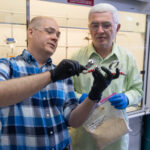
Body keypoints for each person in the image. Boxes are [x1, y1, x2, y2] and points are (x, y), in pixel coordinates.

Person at [0, 16, 120, 150]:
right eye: (49, 31)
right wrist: (52, 76)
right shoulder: (8, 66)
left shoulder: (62, 75)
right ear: (31, 32)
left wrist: (95, 94)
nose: (55, 38)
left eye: (58, 35)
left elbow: (74, 121)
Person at [70, 3, 143, 150]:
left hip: (114, 137)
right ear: (89, 28)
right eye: (94, 25)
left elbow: (138, 91)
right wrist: (79, 98)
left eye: (106, 25)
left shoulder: (127, 58)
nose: (100, 31)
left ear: (117, 28)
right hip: (84, 137)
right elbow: (66, 92)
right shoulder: (76, 58)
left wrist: (127, 98)